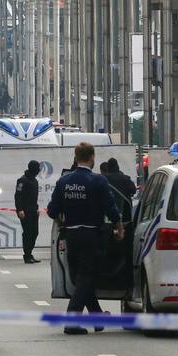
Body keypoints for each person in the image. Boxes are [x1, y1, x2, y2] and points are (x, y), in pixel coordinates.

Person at [46, 142, 122, 334]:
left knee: (82, 278)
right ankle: (71, 321)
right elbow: (111, 208)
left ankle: (97, 317)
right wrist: (119, 227)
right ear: (92, 157)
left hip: (71, 235)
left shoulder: (64, 182)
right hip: (92, 235)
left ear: (76, 156)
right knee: (88, 277)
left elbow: (52, 210)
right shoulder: (98, 181)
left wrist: (62, 218)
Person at [15, 160, 42, 264]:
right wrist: (19, 209)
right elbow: (18, 196)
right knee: (28, 233)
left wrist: (37, 208)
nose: (39, 170)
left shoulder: (35, 181)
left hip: (33, 211)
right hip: (25, 211)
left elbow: (34, 198)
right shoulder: (22, 180)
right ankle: (27, 255)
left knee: (35, 232)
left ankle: (30, 253)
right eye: (37, 168)